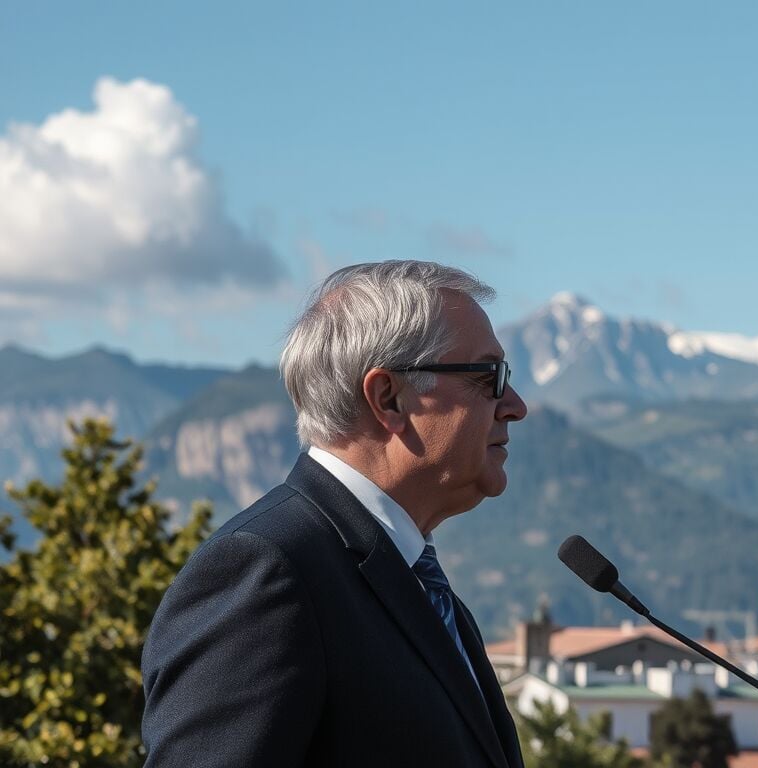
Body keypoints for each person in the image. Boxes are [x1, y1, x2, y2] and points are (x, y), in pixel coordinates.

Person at [141, 261, 528, 767]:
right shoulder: (267, 573)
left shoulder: (417, 583)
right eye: (489, 376)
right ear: (388, 397)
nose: (515, 405)